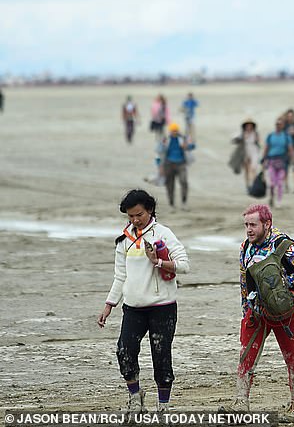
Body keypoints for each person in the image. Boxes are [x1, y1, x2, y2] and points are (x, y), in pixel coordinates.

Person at [97, 189, 190, 414]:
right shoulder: (123, 240)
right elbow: (120, 275)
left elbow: (184, 265)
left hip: (163, 308)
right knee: (124, 351)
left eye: (139, 214)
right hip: (133, 308)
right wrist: (109, 304)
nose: (135, 220)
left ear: (149, 210)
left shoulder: (163, 234)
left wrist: (158, 261)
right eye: (130, 216)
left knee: (161, 357)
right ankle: (135, 398)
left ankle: (164, 407)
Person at [224, 203, 294, 415]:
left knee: (291, 357)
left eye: (253, 225)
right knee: (245, 355)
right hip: (256, 309)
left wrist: (285, 282)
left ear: (267, 224)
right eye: (246, 225)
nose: (249, 229)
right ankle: (241, 402)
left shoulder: (285, 245)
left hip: (285, 312)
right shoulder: (245, 247)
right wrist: (245, 308)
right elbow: (243, 280)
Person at [262, 118, 294, 208]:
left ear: (283, 125)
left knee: (280, 182)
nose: (278, 126)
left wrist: (291, 161)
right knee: (272, 183)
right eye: (277, 124)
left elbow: (290, 149)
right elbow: (266, 148)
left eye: (280, 124)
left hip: (282, 162)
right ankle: (272, 197)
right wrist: (264, 159)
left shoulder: (286, 137)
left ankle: (279, 200)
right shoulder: (270, 136)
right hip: (271, 161)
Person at [161, 122, 190, 210]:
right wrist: (160, 166)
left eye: (176, 131)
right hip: (168, 164)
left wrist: (186, 146)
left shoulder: (183, 139)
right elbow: (160, 152)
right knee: (170, 184)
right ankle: (171, 203)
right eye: (173, 131)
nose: (174, 132)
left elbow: (192, 147)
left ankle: (184, 202)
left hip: (181, 163)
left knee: (184, 181)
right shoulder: (166, 139)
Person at [241, 119, 261, 188]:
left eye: (250, 125)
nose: (249, 127)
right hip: (246, 151)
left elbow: (258, 143)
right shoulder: (243, 133)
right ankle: (247, 184)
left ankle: (254, 184)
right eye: (247, 125)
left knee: (253, 168)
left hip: (254, 151)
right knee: (246, 169)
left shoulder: (255, 133)